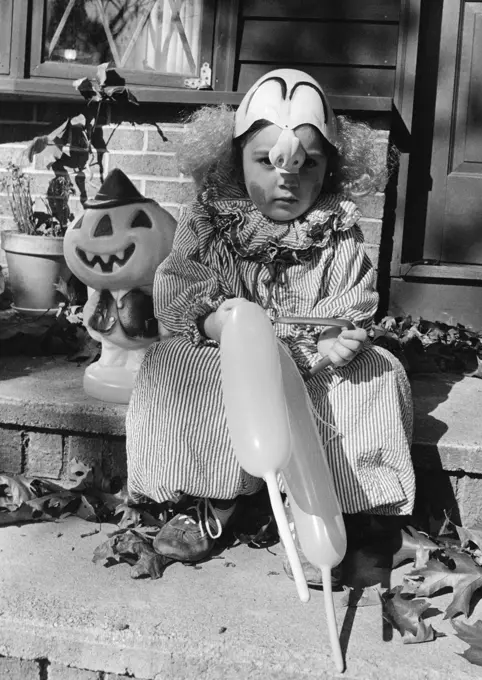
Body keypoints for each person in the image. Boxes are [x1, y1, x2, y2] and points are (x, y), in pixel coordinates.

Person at [125, 69, 415, 583]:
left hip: (311, 360)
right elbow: (179, 285)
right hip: (230, 356)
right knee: (175, 367)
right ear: (234, 160)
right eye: (266, 161)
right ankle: (215, 497)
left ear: (329, 168)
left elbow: (352, 300)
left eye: (309, 164)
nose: (288, 178)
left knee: (375, 374)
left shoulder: (337, 230)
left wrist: (339, 334)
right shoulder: (212, 222)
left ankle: (333, 508)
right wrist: (215, 320)